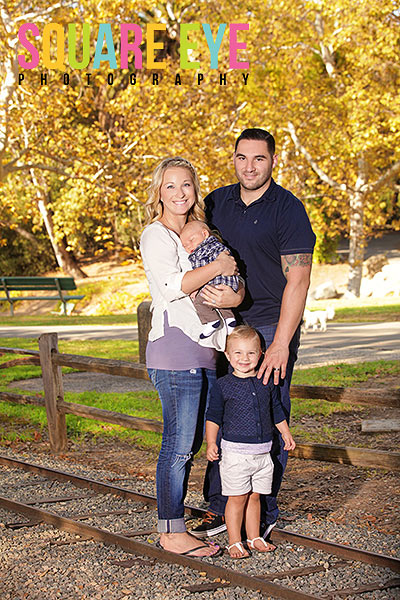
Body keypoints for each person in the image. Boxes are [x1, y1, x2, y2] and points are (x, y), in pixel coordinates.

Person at [191, 128, 316, 539]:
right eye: (242, 157)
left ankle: (264, 511)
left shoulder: (288, 209)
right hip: (221, 324)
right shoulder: (215, 201)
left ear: (272, 161)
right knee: (222, 413)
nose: (249, 166)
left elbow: (297, 281)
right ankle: (220, 506)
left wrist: (280, 343)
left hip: (267, 327)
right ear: (234, 158)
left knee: (266, 416)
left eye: (258, 159)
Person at [140, 156, 244, 557]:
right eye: (170, 186)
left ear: (194, 191)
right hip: (173, 350)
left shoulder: (202, 234)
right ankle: (171, 532)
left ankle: (177, 526)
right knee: (178, 445)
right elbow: (171, 287)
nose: (179, 193)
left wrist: (231, 291)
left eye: (186, 185)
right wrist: (217, 266)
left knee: (192, 443)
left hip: (205, 351)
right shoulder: (157, 235)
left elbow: (233, 281)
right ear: (159, 193)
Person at [205, 325, 295, 559]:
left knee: (255, 496)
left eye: (251, 353)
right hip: (236, 454)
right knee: (237, 498)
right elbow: (213, 417)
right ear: (227, 355)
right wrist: (211, 443)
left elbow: (276, 410)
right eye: (238, 353)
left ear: (261, 354)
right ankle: (235, 541)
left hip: (263, 454)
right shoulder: (223, 385)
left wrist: (285, 433)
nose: (244, 359)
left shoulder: (266, 382)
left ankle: (254, 537)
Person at [180, 220, 238, 338]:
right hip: (225, 283)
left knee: (201, 302)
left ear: (205, 234)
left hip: (219, 281)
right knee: (219, 301)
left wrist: (222, 256)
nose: (189, 246)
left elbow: (203, 273)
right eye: (185, 246)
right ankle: (229, 320)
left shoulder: (205, 248)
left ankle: (211, 321)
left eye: (191, 240)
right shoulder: (204, 248)